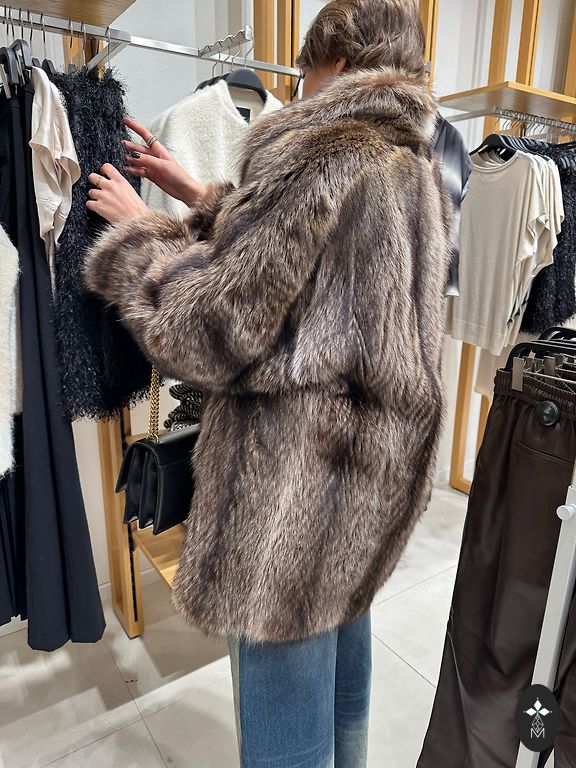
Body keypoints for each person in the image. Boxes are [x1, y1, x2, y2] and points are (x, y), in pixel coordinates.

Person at [83, 1, 451, 765]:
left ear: (337, 63)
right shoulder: (411, 165)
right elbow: (312, 255)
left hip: (295, 488)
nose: (297, 88)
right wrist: (198, 195)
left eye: (305, 71)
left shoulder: (320, 154)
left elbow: (211, 332)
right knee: (342, 661)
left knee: (284, 720)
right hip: (370, 473)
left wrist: (139, 232)